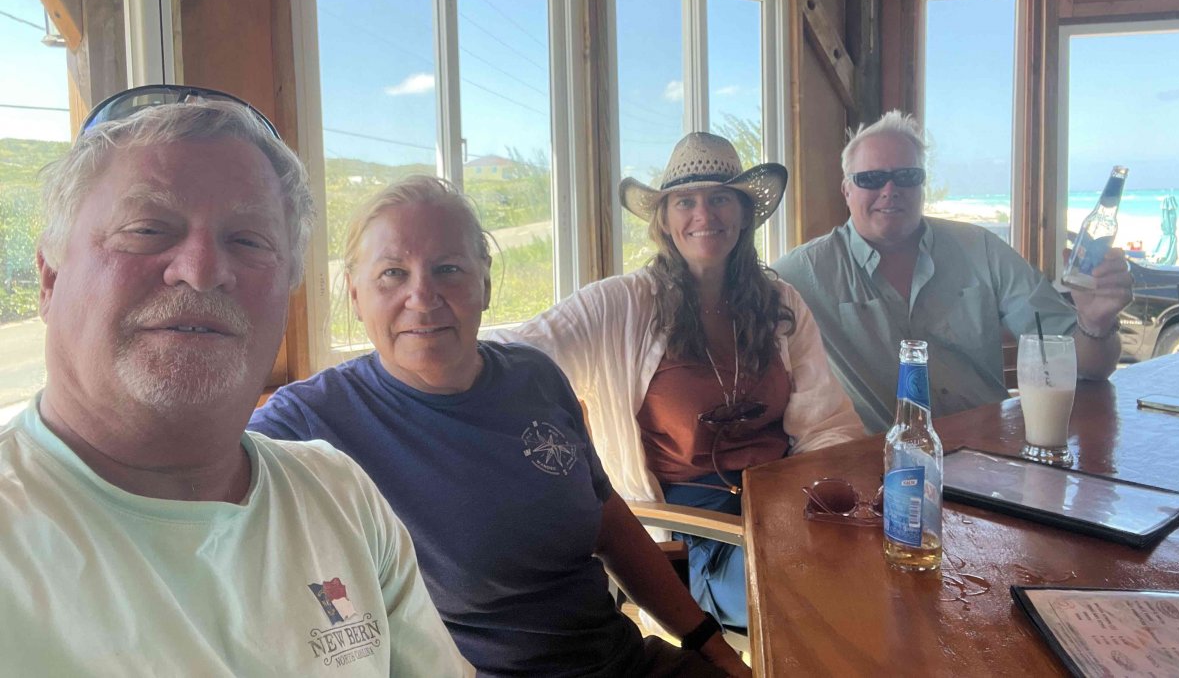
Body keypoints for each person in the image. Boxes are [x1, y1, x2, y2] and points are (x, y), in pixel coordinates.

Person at [0, 86, 470, 676]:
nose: (201, 271)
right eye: (147, 229)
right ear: (49, 279)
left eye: (248, 240)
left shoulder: (339, 496)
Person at [250, 176, 749, 678]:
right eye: (392, 273)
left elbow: (609, 524)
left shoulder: (535, 377)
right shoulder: (312, 418)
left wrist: (710, 644)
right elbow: (208, 493)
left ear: (485, 284)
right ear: (356, 295)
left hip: (623, 661)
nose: (422, 296)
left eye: (448, 269)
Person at [493, 132, 863, 633]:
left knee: (877, 565)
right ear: (664, 220)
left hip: (786, 510)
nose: (704, 214)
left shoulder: (780, 303)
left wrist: (824, 502)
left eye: (721, 198)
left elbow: (825, 423)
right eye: (686, 201)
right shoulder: (621, 305)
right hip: (693, 536)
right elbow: (516, 354)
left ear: (744, 214)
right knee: (806, 593)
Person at [772, 110, 1134, 433]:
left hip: (990, 453)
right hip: (877, 466)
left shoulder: (982, 250)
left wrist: (1096, 322)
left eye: (907, 176)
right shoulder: (802, 273)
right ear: (846, 190)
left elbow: (1089, 367)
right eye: (871, 178)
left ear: (922, 185)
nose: (890, 190)